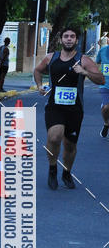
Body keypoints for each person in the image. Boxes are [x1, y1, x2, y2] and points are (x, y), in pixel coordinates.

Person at [34, 26, 103, 189]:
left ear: (76, 40)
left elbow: (101, 79)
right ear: (61, 40)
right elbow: (37, 70)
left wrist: (84, 72)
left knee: (70, 145)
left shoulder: (84, 60)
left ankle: (67, 172)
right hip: (54, 106)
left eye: (72, 36)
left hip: (75, 109)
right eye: (66, 36)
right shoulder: (51, 58)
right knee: (54, 137)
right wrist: (39, 86)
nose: (69, 39)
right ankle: (52, 169)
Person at [95, 37, 109, 138]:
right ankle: (106, 123)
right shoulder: (103, 50)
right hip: (105, 84)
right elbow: (97, 62)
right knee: (106, 107)